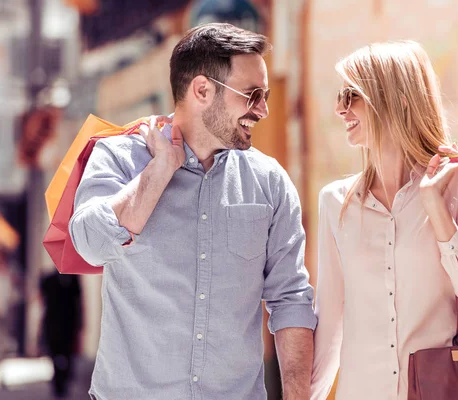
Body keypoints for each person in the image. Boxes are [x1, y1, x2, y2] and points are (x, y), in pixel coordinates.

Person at [69, 23, 316, 400]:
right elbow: (89, 242)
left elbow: (291, 298)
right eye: (252, 95)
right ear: (202, 90)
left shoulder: (270, 182)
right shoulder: (119, 158)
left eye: (264, 96)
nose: (263, 110)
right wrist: (160, 170)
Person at [310, 41, 458, 400]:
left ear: (392, 98)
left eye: (351, 95)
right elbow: (331, 324)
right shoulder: (334, 202)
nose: (339, 108)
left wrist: (436, 209)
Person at [40, 271, 82, 399]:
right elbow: (42, 301)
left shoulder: (73, 279)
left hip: (68, 324)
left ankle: (63, 380)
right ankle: (59, 381)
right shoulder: (48, 279)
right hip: (53, 324)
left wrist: (80, 324)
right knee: (55, 353)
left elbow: (79, 303)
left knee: (67, 354)